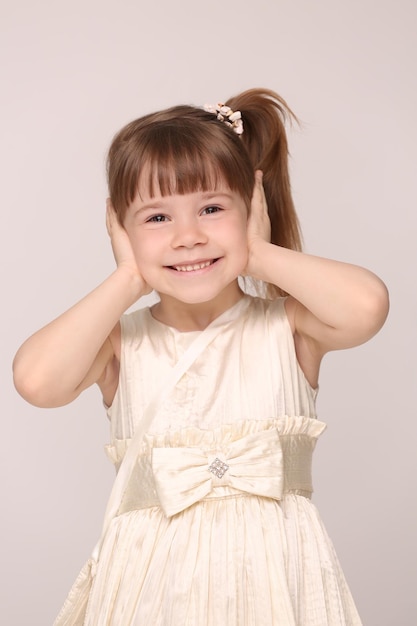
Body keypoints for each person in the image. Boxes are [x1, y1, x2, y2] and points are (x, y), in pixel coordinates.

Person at [13, 88, 389, 625]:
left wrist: (257, 254)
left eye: (212, 209)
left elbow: (367, 306)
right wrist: (126, 278)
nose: (188, 237)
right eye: (156, 218)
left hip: (277, 584)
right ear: (119, 226)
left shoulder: (288, 325)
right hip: (151, 590)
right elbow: (36, 381)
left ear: (250, 206)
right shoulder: (121, 343)